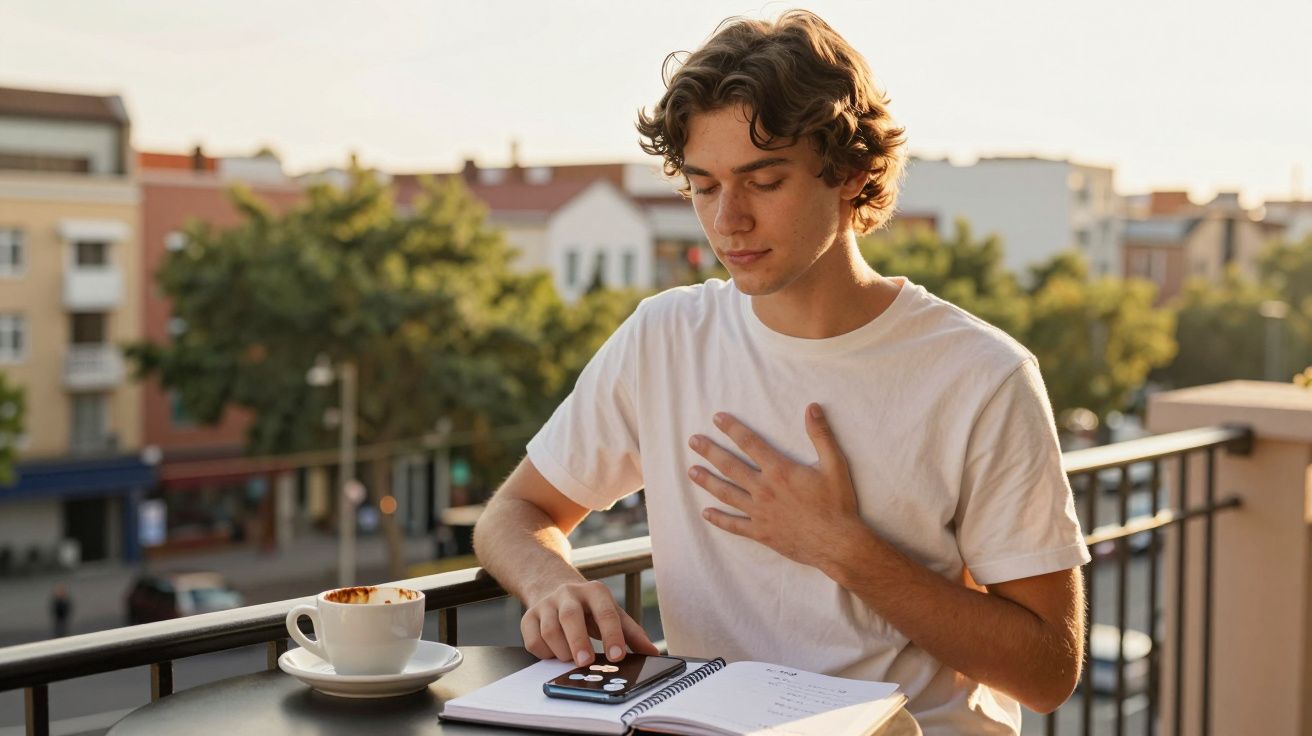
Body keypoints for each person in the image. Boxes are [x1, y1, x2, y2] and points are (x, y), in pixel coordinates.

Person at [473, 10, 1089, 734]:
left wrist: (845, 549)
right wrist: (553, 583)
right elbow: (515, 514)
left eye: (762, 181)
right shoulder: (664, 338)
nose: (727, 220)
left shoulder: (981, 374)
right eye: (703, 186)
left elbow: (1049, 670)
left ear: (851, 174)